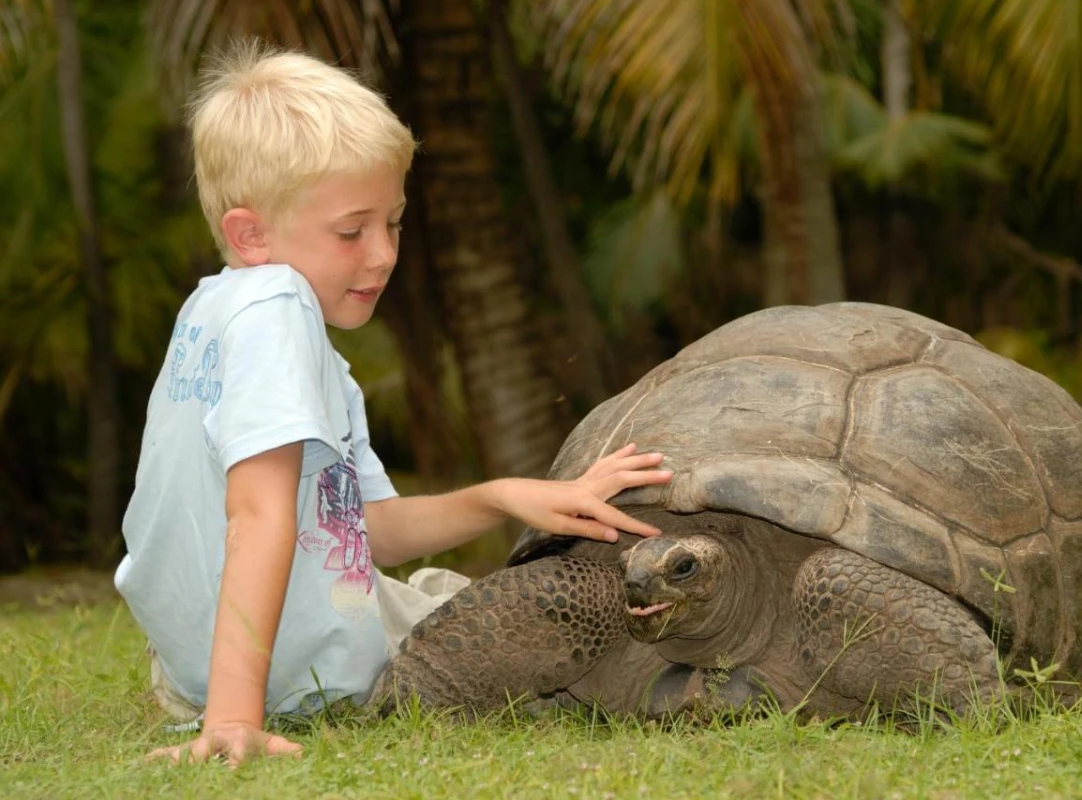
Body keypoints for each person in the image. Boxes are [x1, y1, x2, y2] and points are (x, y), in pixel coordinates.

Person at [115, 41, 672, 768]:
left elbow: (368, 532)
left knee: (431, 594)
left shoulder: (213, 313)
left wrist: (502, 497)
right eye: (352, 231)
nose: (382, 254)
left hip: (193, 668)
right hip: (282, 676)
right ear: (250, 235)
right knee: (551, 619)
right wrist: (232, 719)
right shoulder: (278, 308)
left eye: (394, 223)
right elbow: (257, 513)